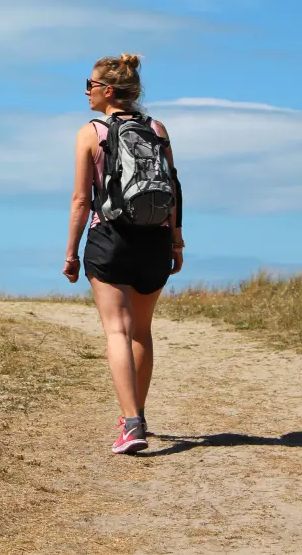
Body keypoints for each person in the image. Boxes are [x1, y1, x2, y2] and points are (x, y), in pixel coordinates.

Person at [62, 54, 184, 454]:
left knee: (118, 329)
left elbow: (82, 200)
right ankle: (139, 415)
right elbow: (174, 187)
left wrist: (71, 252)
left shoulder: (90, 133)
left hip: (109, 238)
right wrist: (176, 241)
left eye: (90, 85)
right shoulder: (156, 127)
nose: (86, 91)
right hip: (155, 239)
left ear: (108, 91)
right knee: (142, 331)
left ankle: (130, 423)